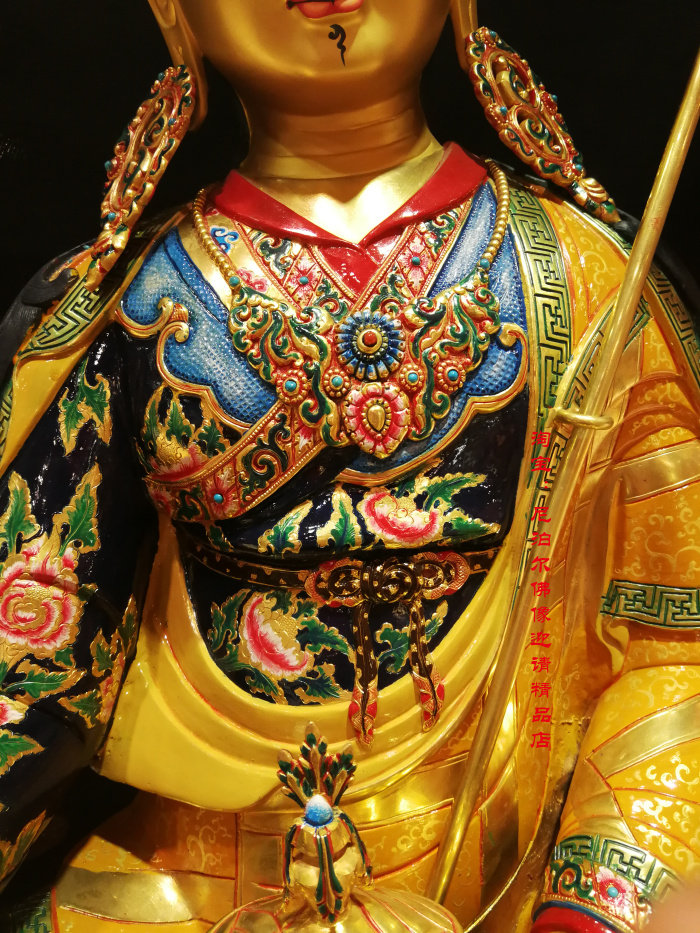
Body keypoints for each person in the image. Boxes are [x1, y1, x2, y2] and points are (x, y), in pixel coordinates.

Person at [0, 2, 698, 931]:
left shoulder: (584, 278)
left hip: (505, 868)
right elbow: (31, 657)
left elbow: (674, 646)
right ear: (173, 13)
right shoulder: (122, 304)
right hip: (189, 880)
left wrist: (597, 901)